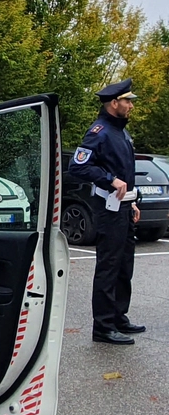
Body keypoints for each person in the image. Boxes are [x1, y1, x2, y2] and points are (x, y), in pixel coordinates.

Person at [68, 79, 144, 345]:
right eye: (128, 101)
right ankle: (103, 327)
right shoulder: (99, 132)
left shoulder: (120, 131)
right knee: (109, 267)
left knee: (124, 266)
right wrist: (109, 178)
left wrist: (132, 202)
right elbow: (77, 167)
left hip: (123, 208)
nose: (131, 105)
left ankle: (118, 317)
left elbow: (126, 173)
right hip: (108, 210)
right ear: (114, 103)